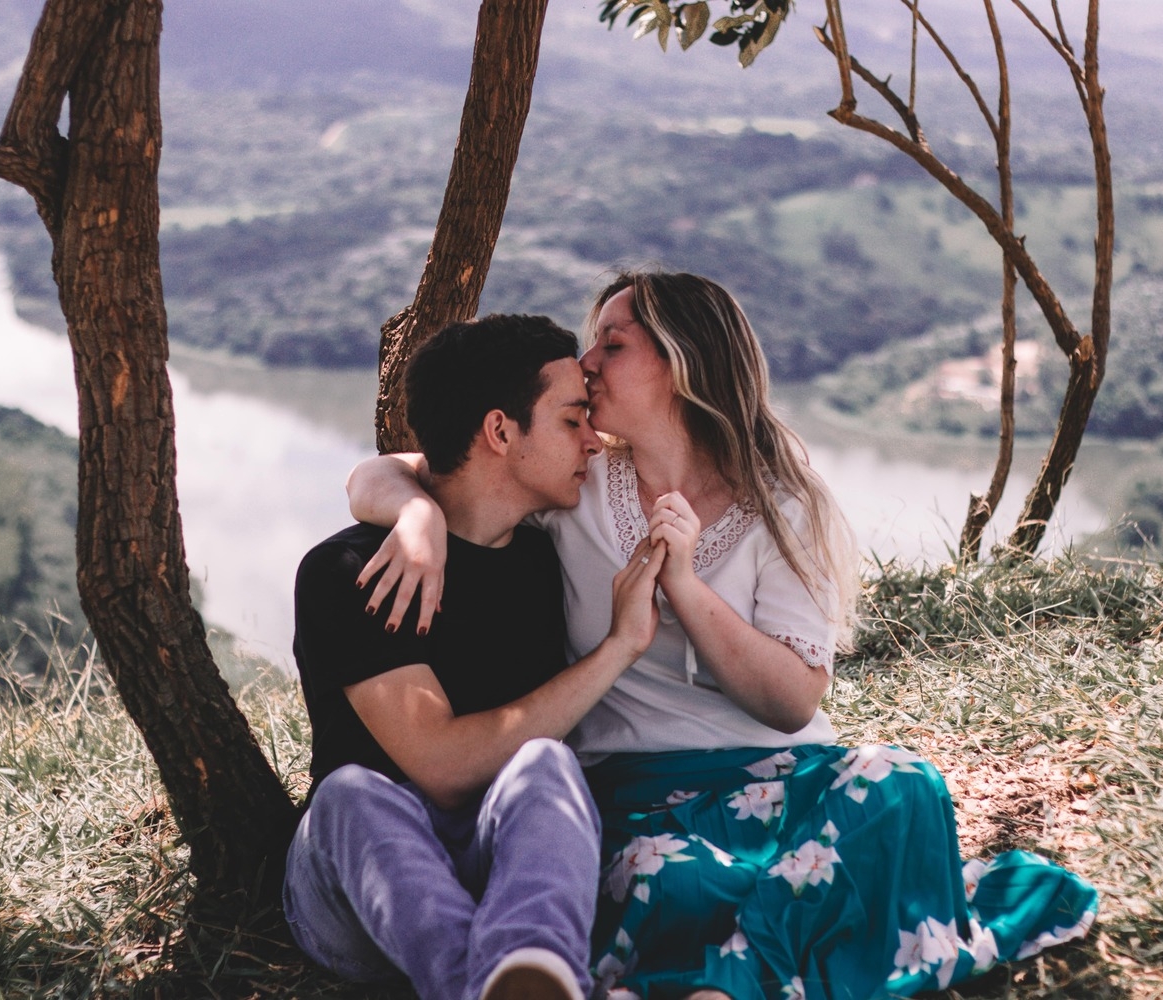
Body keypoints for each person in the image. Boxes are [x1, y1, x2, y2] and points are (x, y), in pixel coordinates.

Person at [347, 271, 1099, 1000]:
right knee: (664, 877)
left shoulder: (781, 502)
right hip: (631, 792)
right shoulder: (570, 486)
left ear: (682, 363)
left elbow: (791, 702)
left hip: (786, 775)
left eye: (613, 344)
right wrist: (418, 518)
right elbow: (399, 472)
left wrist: (684, 586)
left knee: (902, 787)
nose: (587, 362)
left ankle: (726, 986)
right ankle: (753, 972)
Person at [284, 313, 670, 1000]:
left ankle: (523, 974)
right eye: (572, 420)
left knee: (547, 763)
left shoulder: (550, 550)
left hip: (493, 865)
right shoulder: (350, 571)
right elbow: (447, 769)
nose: (595, 439)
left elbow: (382, 471)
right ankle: (491, 984)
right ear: (499, 431)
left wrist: (417, 507)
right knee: (351, 794)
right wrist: (619, 649)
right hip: (355, 898)